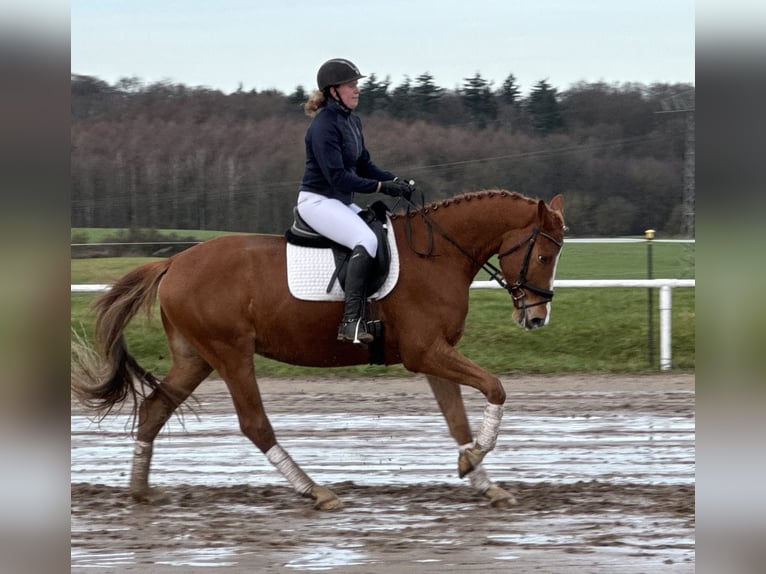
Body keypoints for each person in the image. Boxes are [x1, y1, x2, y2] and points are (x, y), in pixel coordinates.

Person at [296, 58, 413, 345]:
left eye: (357, 84)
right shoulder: (323, 126)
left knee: (381, 229)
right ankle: (350, 321)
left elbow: (364, 165)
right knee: (366, 240)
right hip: (317, 201)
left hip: (337, 201)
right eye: (351, 85)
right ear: (333, 91)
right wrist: (380, 187)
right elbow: (338, 178)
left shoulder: (352, 121)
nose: (356, 89)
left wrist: (395, 182)